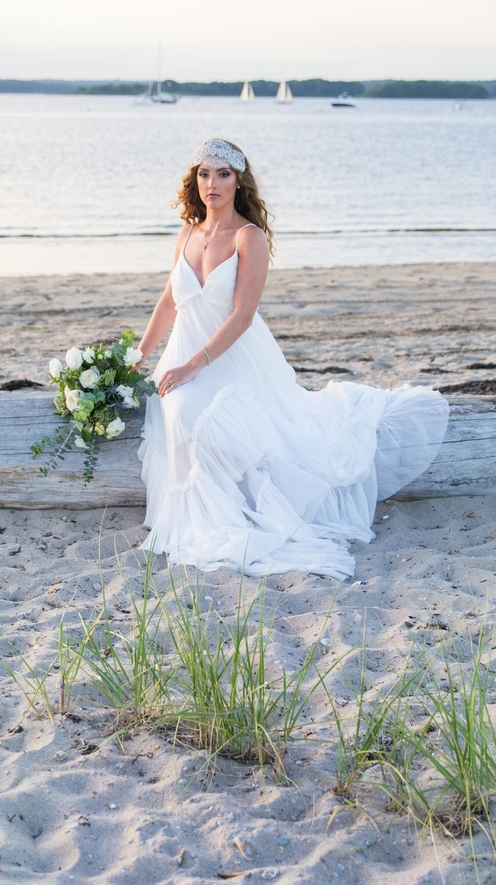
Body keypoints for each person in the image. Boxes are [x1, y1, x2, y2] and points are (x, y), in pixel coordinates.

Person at [136, 138, 449, 579]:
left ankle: (220, 518)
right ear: (195, 180)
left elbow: (243, 316)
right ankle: (196, 515)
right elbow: (169, 301)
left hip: (229, 358)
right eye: (204, 174)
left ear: (238, 181)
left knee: (196, 415)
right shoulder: (186, 233)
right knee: (174, 408)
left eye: (223, 174)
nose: (212, 184)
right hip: (184, 351)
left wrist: (193, 366)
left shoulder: (249, 237)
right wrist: (139, 355)